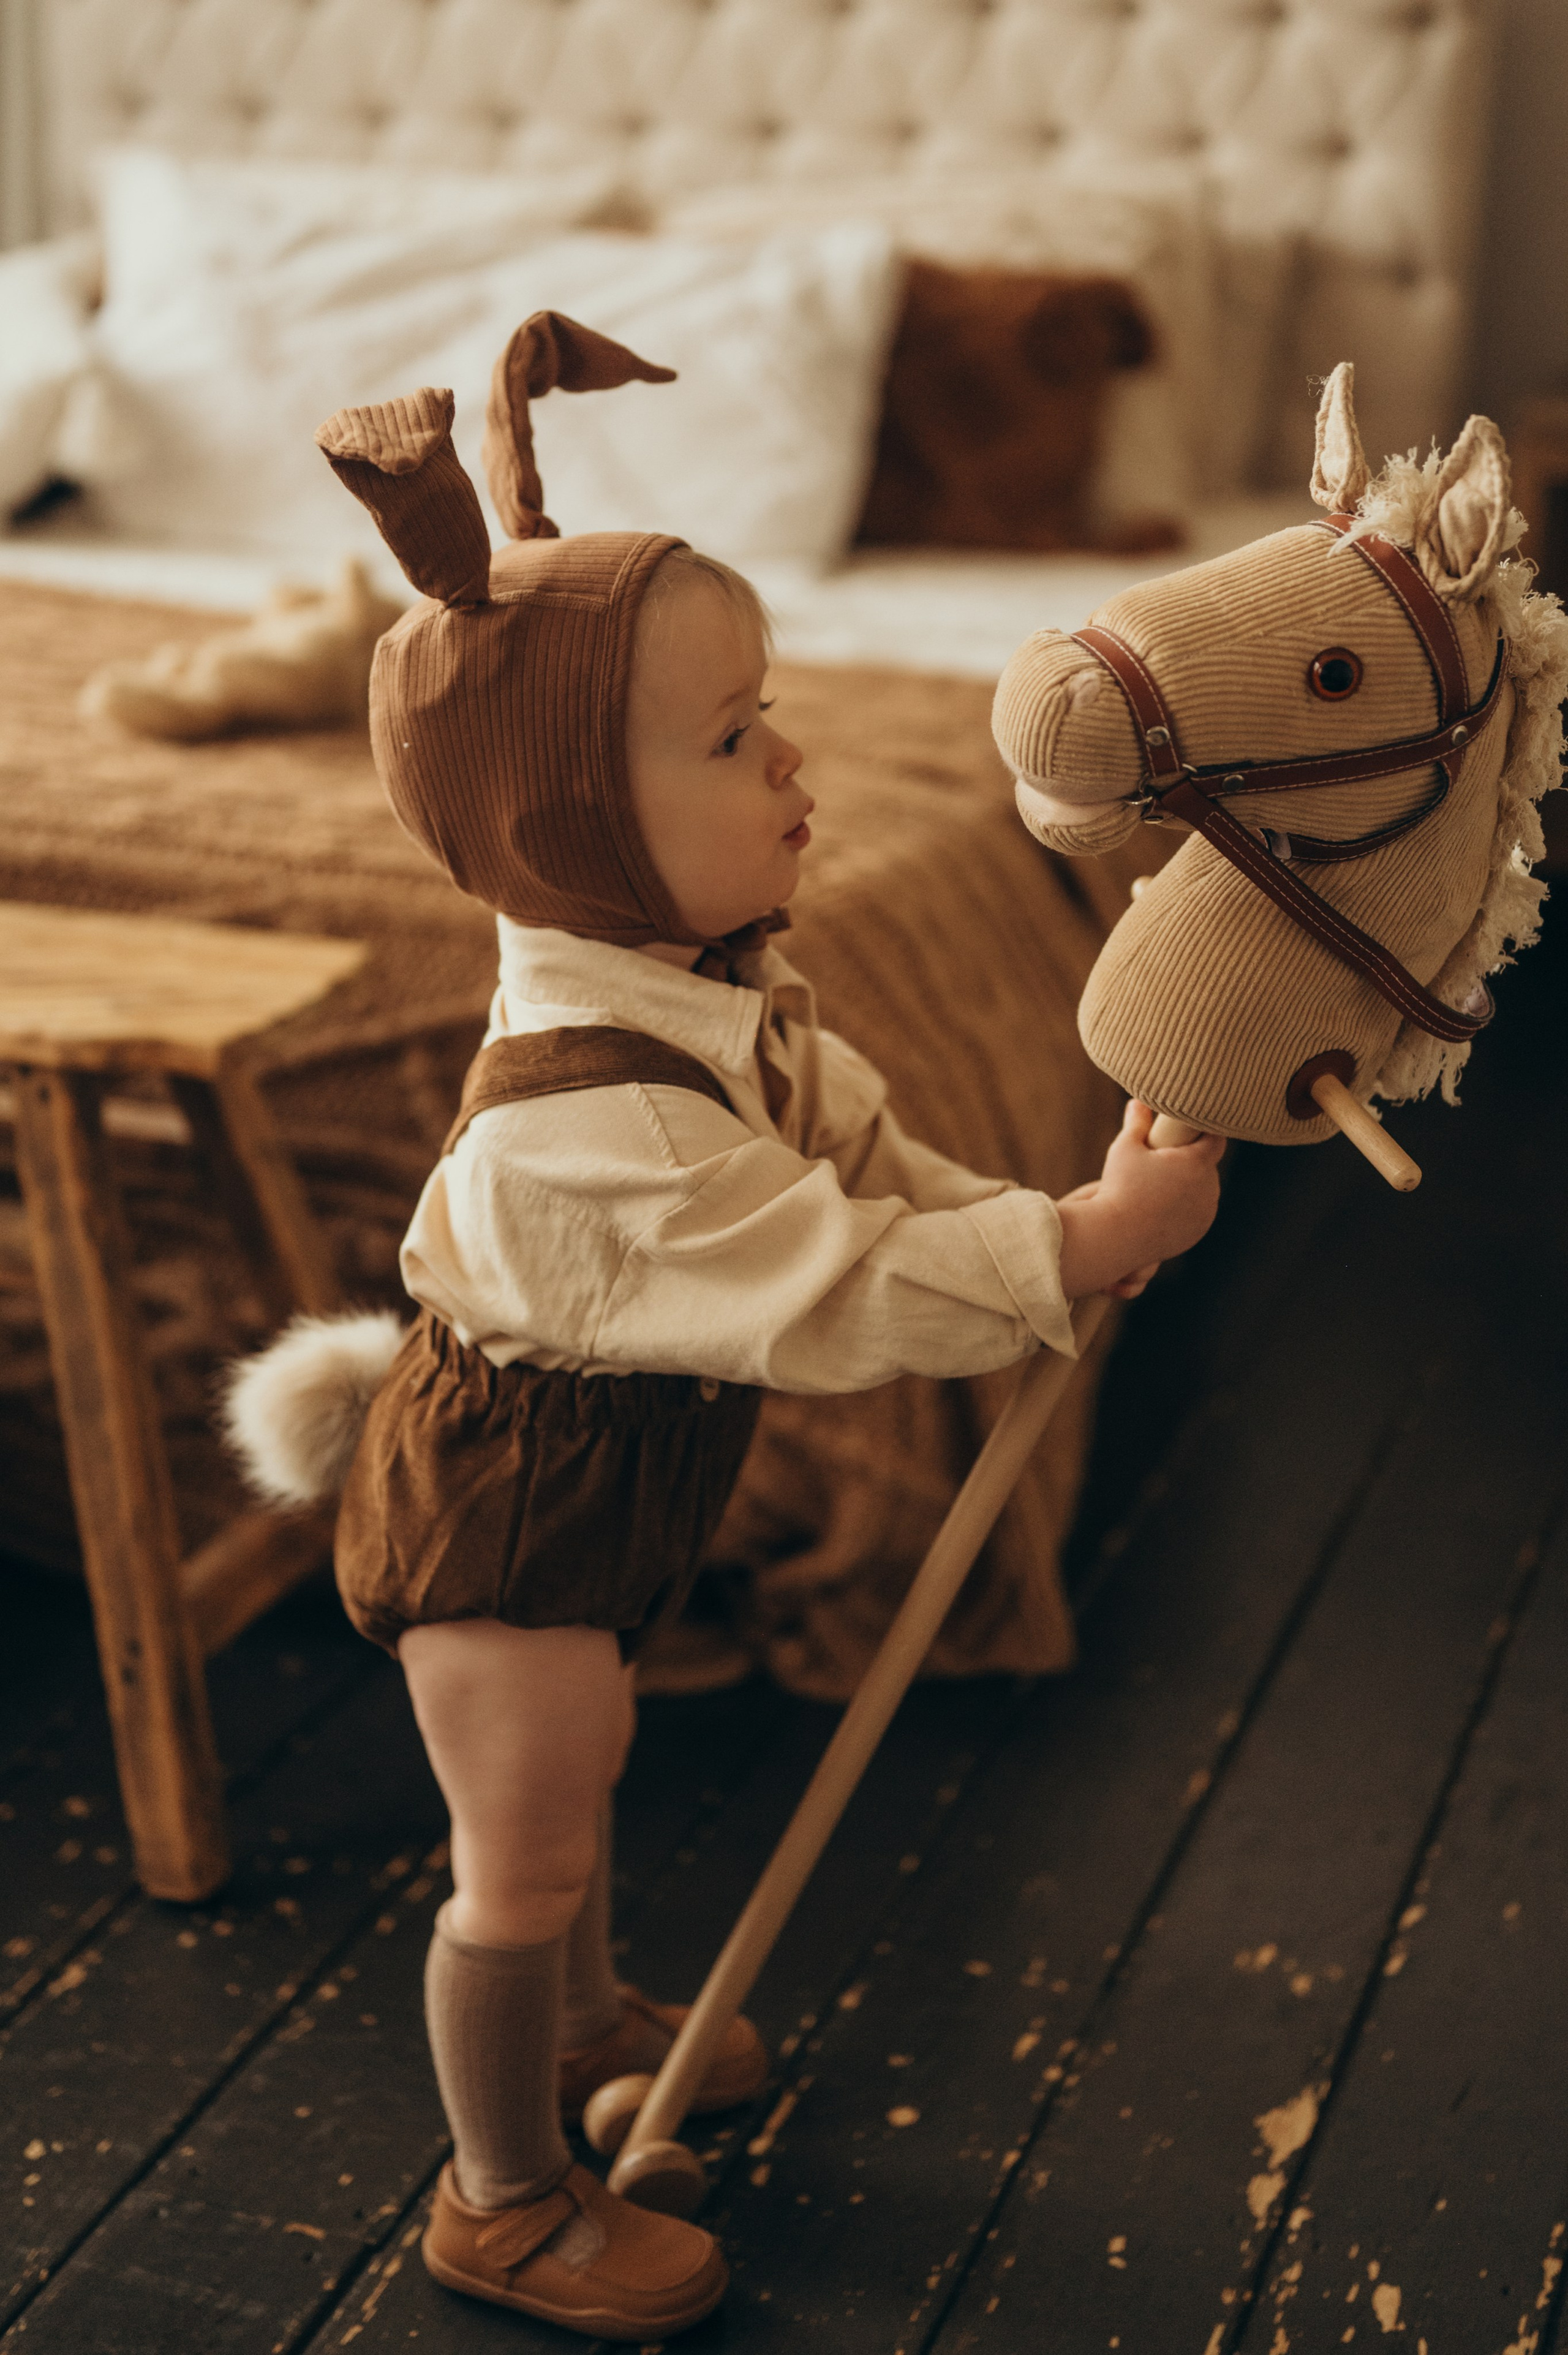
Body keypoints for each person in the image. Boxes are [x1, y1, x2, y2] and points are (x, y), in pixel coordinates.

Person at [298, 315, 1223, 2341]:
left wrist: (1041, 1219)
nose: (792, 762)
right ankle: (501, 2190)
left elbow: (871, 1160)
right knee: (518, 1842)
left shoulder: (723, 996)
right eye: (730, 745)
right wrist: (1061, 1255)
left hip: (602, 1481)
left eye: (772, 714)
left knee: (588, 1766)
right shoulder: (598, 1116)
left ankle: (588, 2012)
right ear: (568, 825)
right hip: (505, 1516)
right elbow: (829, 1278)